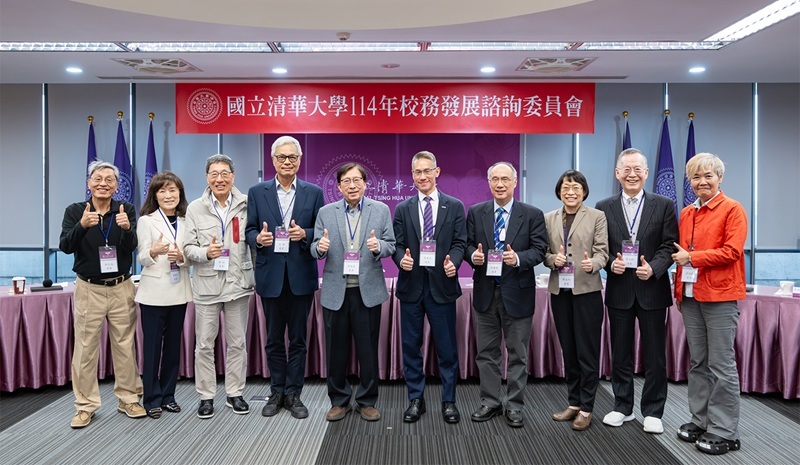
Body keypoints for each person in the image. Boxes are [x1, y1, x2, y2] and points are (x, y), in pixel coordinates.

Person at [595, 148, 678, 434]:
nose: (632, 174)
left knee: (655, 354)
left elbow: (670, 245)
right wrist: (609, 264)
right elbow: (600, 248)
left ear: (646, 173)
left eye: (637, 169)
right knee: (620, 352)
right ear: (617, 174)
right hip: (619, 289)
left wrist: (654, 268)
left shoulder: (664, 204)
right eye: (626, 169)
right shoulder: (603, 206)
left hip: (652, 288)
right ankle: (622, 406)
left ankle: (653, 411)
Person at [59, 160, 145, 428]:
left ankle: (129, 398)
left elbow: (132, 248)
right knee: (85, 349)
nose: (103, 183)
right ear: (89, 183)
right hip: (89, 288)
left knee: (125, 346)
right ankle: (85, 406)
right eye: (98, 178)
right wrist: (81, 226)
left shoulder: (126, 209)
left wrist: (128, 228)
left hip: (121, 286)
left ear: (117, 186)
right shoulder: (75, 211)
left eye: (109, 179)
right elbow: (64, 246)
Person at [671, 152, 747, 456]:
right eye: (696, 177)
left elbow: (732, 251)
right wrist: (679, 290)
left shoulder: (732, 209)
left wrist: (694, 259)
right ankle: (700, 420)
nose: (702, 182)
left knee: (722, 365)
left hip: (721, 296)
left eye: (708, 176)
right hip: (690, 296)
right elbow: (680, 252)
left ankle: (725, 430)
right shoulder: (688, 212)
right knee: (698, 362)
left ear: (719, 178)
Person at [245, 136, 324, 419]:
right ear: (273, 160)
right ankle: (276, 391)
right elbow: (249, 231)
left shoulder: (313, 192)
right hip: (270, 276)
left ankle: (294, 394)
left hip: (301, 275)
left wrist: (306, 234)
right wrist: (259, 239)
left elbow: (322, 229)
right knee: (274, 339)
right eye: (282, 157)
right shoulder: (257, 192)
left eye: (292, 157)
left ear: (300, 160)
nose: (287, 162)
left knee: (299, 340)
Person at [310, 163, 396, 422]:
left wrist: (377, 245)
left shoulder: (380, 210)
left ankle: (367, 401)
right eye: (346, 181)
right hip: (337, 290)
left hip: (367, 290)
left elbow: (391, 245)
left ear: (365, 183)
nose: (352, 185)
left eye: (357, 180)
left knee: (368, 349)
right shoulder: (326, 212)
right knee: (336, 350)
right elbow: (314, 247)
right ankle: (339, 401)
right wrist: (321, 248)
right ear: (338, 186)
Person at [465, 162, 547, 428]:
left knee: (517, 354)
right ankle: (490, 402)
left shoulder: (532, 214)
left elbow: (540, 250)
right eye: (495, 179)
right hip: (486, 293)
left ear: (514, 183)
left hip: (518, 293)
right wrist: (472, 256)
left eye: (505, 179)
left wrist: (518, 258)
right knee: (487, 353)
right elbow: (465, 245)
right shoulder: (477, 213)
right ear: (489, 183)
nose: (500, 184)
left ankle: (514, 405)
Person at [392, 150, 466, 424]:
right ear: (412, 176)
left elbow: (460, 243)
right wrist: (401, 259)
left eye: (427, 171)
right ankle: (416, 399)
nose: (422, 176)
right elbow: (398, 245)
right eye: (417, 172)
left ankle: (449, 401)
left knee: (447, 349)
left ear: (437, 172)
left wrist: (454, 263)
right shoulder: (402, 208)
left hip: (442, 287)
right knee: (411, 347)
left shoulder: (454, 206)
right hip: (411, 287)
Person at [184, 154, 255, 419]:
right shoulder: (195, 208)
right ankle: (206, 396)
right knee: (204, 344)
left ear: (233, 176)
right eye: (214, 174)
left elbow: (254, 239)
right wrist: (206, 253)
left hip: (238, 284)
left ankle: (235, 393)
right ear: (206, 178)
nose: (220, 179)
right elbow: (187, 248)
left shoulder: (247, 204)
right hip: (207, 286)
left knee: (237, 343)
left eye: (225, 173)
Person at [543, 170, 608, 431]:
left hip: (587, 292)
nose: (570, 192)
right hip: (560, 292)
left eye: (576, 188)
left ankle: (587, 407)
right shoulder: (549, 218)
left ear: (584, 191)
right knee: (569, 350)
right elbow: (544, 252)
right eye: (566, 188)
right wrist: (552, 260)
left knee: (587, 351)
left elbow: (603, 251)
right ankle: (573, 402)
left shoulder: (597, 216)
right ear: (559, 191)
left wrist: (593, 263)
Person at [135, 171, 192, 419]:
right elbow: (141, 257)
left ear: (180, 193)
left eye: (172, 190)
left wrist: (181, 258)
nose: (168, 195)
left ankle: (169, 396)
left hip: (179, 291)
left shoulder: (188, 219)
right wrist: (153, 251)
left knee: (172, 347)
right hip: (153, 294)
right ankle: (151, 398)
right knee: (152, 348)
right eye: (162, 191)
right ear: (155, 195)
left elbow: (191, 255)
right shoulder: (146, 220)